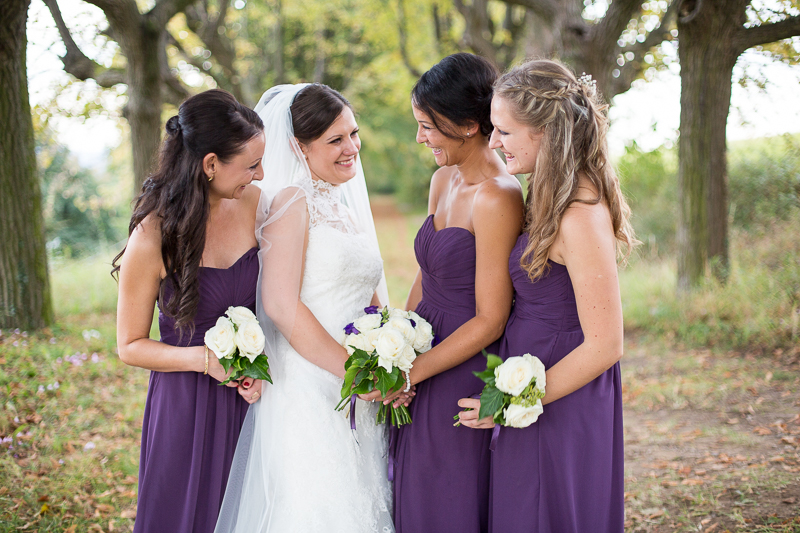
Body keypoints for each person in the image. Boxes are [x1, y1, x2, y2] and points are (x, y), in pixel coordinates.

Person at [457, 59, 636, 532]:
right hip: (528, 378)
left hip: (558, 393)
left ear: (547, 133)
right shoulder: (545, 192)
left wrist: (515, 402)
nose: (493, 143)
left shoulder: (579, 215)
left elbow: (605, 343)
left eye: (504, 132)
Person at [214, 83, 394, 533]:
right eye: (335, 140)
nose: (351, 147)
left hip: (358, 386)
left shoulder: (344, 206)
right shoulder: (293, 202)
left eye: (353, 133)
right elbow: (279, 303)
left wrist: (393, 353)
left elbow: (368, 293)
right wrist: (355, 370)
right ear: (299, 146)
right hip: (311, 388)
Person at [365, 53, 524, 533]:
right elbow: (424, 274)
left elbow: (491, 317)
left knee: (446, 495)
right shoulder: (442, 180)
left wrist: (415, 372)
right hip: (420, 350)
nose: (420, 138)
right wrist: (397, 346)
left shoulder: (499, 196)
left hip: (460, 362)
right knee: (411, 486)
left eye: (428, 126)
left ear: (471, 124)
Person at [113, 89, 266, 533]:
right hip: (186, 406)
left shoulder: (255, 205)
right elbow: (129, 345)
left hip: (252, 397)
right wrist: (205, 360)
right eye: (251, 164)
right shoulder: (154, 233)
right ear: (211, 163)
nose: (260, 174)